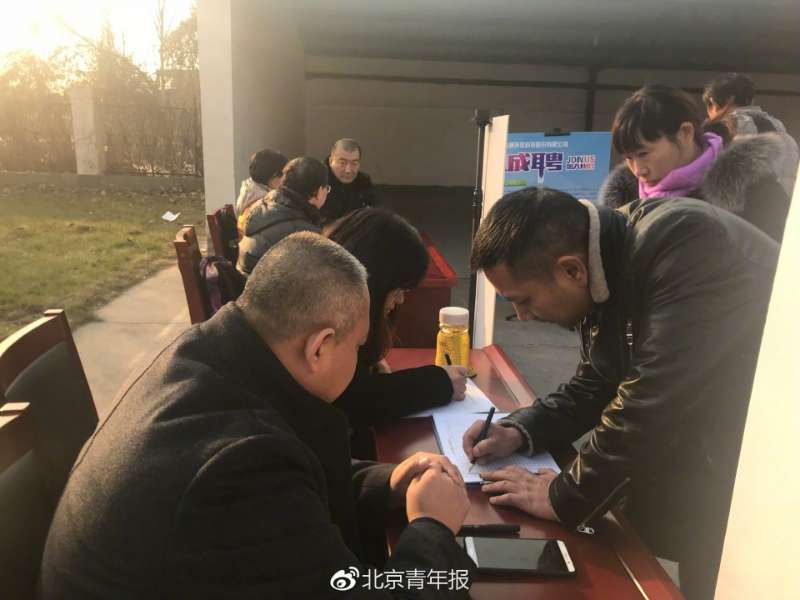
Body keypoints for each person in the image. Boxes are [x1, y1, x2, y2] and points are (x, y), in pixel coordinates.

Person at [40, 232, 474, 599]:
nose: (362, 360)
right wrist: (433, 528)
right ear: (319, 347)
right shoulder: (238, 468)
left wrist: (386, 483)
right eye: (358, 347)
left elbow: (293, 487)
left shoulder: (205, 356)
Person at [461, 187, 778, 600]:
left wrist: (565, 496)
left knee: (722, 578)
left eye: (523, 300)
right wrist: (520, 429)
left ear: (571, 271)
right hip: (711, 443)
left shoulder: (686, 245)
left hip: (764, 458)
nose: (521, 317)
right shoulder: (611, 250)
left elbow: (651, 400)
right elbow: (600, 377)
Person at [324, 208, 468, 434]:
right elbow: (352, 400)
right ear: (375, 282)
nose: (400, 300)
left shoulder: (330, 294)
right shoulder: (329, 321)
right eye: (398, 290)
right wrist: (439, 383)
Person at [599, 84, 791, 242]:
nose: (638, 170)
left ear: (685, 133)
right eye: (629, 158)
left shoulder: (749, 183)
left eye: (643, 153)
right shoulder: (623, 200)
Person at [703, 72, 798, 197]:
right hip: (784, 206)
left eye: (710, 105)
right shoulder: (784, 135)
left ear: (728, 99)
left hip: (739, 208)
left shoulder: (723, 130)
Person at [237, 156, 329, 276]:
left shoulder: (264, 204)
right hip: (264, 285)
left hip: (246, 281)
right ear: (319, 191)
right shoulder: (306, 235)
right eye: (327, 189)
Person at [322, 138, 378, 222]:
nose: (348, 170)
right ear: (331, 161)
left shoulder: (363, 182)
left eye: (354, 163)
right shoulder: (318, 181)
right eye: (342, 163)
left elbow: (376, 213)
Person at [234, 148, 288, 233]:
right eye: (281, 175)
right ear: (271, 175)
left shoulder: (250, 187)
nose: (284, 180)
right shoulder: (261, 201)